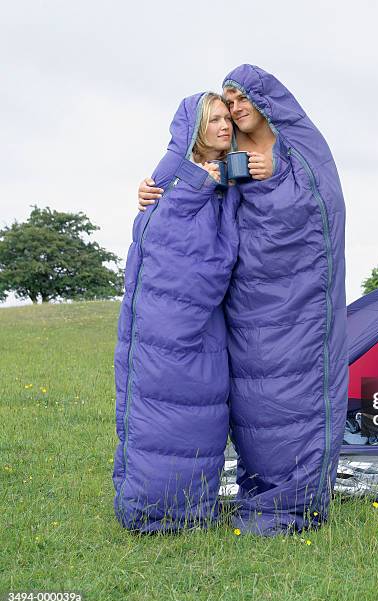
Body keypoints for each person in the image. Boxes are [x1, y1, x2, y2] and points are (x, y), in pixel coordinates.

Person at [138, 65, 348, 536]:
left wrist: (279, 175)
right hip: (242, 299)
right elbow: (190, 188)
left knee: (289, 398)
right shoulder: (226, 150)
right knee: (251, 402)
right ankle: (196, 500)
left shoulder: (300, 149)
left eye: (240, 98)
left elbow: (325, 203)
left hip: (295, 300)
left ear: (266, 99)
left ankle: (287, 503)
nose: (234, 109)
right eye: (228, 103)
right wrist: (153, 191)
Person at [114, 92, 239, 533]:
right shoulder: (175, 173)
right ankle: (156, 508)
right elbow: (159, 235)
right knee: (160, 413)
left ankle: (189, 508)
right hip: (163, 321)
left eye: (228, 119)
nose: (224, 126)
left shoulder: (231, 171)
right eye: (214, 120)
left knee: (200, 417)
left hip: (206, 320)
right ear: (194, 128)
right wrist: (190, 187)